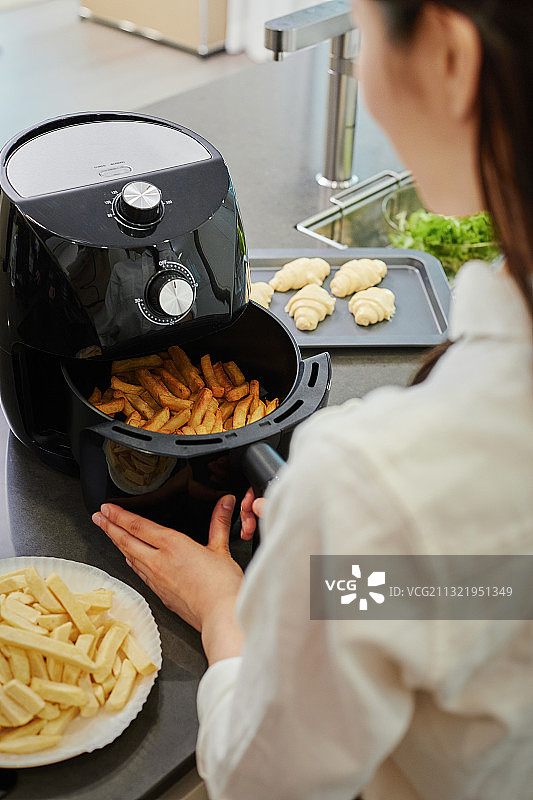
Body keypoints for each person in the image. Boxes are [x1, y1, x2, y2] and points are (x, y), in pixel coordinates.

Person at [92, 1, 533, 797]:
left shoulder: (386, 477)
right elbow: (491, 584)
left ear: (449, 59)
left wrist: (231, 609)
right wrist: (333, 553)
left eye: (361, 34)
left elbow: (266, 781)